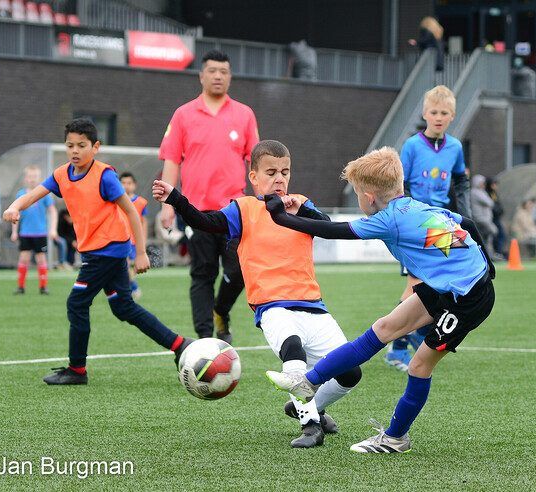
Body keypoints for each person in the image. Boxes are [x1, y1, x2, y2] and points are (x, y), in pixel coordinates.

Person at [263, 146, 495, 453]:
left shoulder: (389, 220)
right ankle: (308, 382)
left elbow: (331, 231)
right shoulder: (414, 207)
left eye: (358, 193)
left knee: (419, 367)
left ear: (369, 196)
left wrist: (279, 217)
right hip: (450, 286)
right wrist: (489, 264)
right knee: (384, 328)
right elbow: (468, 223)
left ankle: (396, 438)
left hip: (467, 298)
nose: (359, 200)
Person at [153, 140, 362, 449]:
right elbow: (206, 222)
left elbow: (327, 227)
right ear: (254, 178)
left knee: (350, 372)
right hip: (272, 305)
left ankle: (311, 406)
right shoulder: (245, 208)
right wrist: (176, 199)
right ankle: (310, 426)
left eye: (285, 172)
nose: (279, 179)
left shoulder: (301, 203)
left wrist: (300, 211)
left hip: (312, 305)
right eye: (271, 172)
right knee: (294, 353)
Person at [3, 118, 191, 385]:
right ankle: (179, 344)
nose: (75, 151)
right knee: (124, 308)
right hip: (97, 253)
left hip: (109, 251)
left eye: (82, 145)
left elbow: (131, 212)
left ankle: (77, 370)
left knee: (77, 303)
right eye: (70, 145)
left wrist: (140, 253)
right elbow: (34, 194)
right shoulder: (61, 174)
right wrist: (15, 207)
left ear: (96, 147)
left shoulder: (104, 176)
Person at [158, 49, 259, 343]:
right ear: (201, 75)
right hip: (195, 211)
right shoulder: (183, 114)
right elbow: (172, 160)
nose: (218, 76)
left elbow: (256, 162)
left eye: (224, 71)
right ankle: (205, 338)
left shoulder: (244, 114)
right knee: (202, 274)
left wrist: (265, 203)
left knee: (239, 271)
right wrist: (167, 204)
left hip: (234, 211)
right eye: (212, 71)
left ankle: (220, 310)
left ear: (230, 77)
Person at [387, 85, 471, 371]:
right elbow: (401, 184)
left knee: (437, 282)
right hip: (415, 221)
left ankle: (406, 340)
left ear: (452, 116)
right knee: (415, 285)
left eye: (444, 113)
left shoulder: (456, 148)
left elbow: (460, 183)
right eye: (433, 112)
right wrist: (405, 216)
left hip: (442, 223)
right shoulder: (411, 146)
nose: (438, 117)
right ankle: (399, 344)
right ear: (425, 114)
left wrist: (465, 216)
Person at [12, 165, 58, 295]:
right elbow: (15, 213)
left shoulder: (44, 194)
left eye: (35, 177)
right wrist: (14, 231)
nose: (32, 179)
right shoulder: (21, 194)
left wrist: (53, 229)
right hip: (25, 233)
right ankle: (21, 287)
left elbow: (53, 212)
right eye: (30, 176)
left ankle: (43, 287)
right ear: (26, 178)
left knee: (41, 260)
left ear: (39, 178)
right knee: (23, 258)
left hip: (40, 233)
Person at [119, 172, 148, 299]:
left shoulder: (141, 202)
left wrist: (144, 240)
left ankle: (130, 288)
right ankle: (132, 288)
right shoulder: (116, 200)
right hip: (120, 239)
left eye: (129, 183)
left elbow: (144, 222)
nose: (126, 186)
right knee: (124, 266)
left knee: (131, 268)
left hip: (135, 240)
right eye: (123, 183)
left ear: (134, 185)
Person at [471, 174, 498, 257]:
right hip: (480, 218)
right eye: (482, 183)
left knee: (487, 238)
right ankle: (486, 254)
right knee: (493, 231)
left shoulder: (482, 192)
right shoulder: (475, 192)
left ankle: (489, 255)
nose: (483, 185)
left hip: (486, 218)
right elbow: (489, 202)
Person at [486, 177, 506, 258]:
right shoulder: (487, 193)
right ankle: (496, 252)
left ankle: (498, 252)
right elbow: (492, 205)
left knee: (501, 234)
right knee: (495, 234)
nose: (495, 186)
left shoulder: (494, 193)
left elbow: (497, 204)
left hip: (497, 218)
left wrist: (500, 210)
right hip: (491, 218)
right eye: (494, 184)